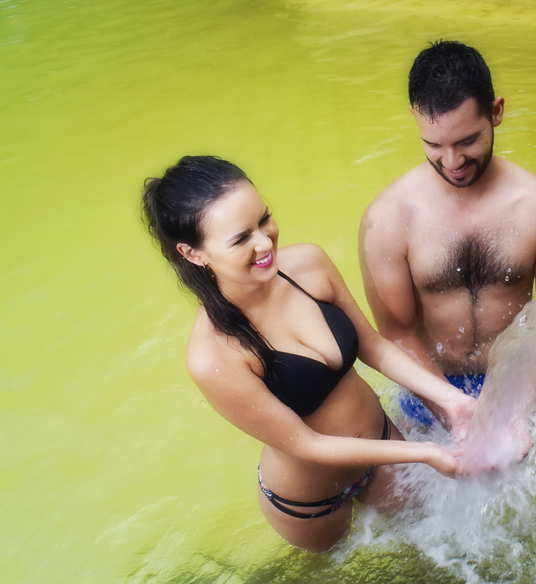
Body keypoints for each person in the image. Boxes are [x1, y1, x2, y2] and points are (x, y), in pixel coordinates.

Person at [142, 155, 476, 552]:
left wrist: (451, 399)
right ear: (194, 253)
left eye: (264, 219)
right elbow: (307, 445)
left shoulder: (308, 265)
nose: (264, 242)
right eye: (241, 239)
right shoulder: (212, 354)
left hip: (384, 446)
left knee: (439, 553)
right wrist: (425, 453)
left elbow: (373, 347)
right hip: (312, 502)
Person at [359, 40, 536, 423]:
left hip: (518, 385)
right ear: (415, 118)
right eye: (434, 144)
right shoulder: (387, 220)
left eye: (468, 141)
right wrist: (452, 408)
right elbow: (397, 335)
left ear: (496, 112)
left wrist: (507, 412)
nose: (453, 161)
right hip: (429, 389)